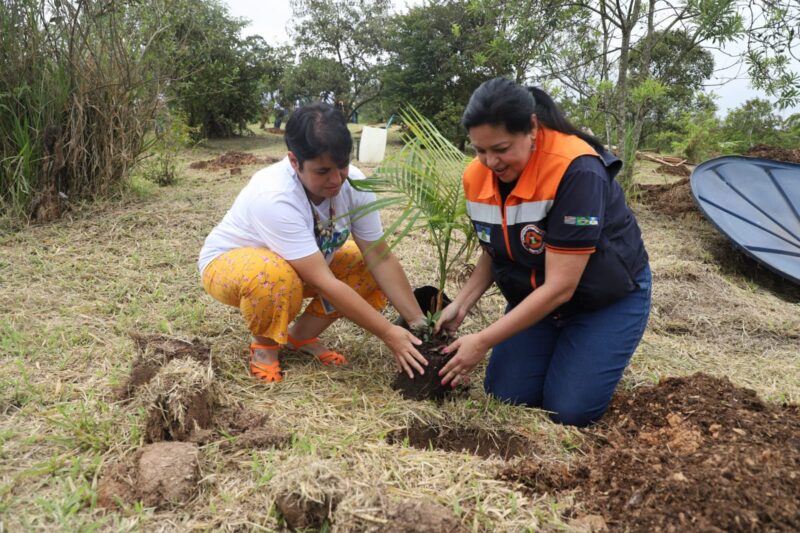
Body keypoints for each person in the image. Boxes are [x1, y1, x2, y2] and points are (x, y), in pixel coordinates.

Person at [435, 78, 651, 427]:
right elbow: (497, 247)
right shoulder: (478, 176)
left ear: (532, 128)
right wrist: (461, 304)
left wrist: (484, 341)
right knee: (507, 394)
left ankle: (590, 349)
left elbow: (562, 287)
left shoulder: (577, 170)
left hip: (602, 298)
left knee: (568, 411)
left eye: (501, 148)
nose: (491, 161)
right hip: (537, 298)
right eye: (480, 150)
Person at [199, 103, 428, 382]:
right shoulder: (274, 195)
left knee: (362, 262)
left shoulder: (354, 183)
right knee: (273, 275)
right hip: (231, 266)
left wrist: (419, 325)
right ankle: (265, 347)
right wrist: (389, 334)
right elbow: (323, 281)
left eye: (342, 165)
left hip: (301, 265)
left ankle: (300, 338)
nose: (336, 180)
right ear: (294, 161)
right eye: (322, 171)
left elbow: (379, 256)